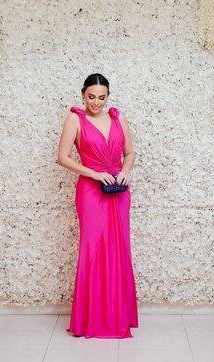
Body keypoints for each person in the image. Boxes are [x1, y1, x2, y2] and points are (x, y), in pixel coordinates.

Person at [57, 73, 139, 338]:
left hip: (118, 190)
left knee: (118, 248)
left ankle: (118, 317)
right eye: (91, 97)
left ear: (108, 96)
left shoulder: (118, 118)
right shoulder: (75, 120)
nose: (96, 103)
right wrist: (94, 173)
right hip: (90, 191)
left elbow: (130, 153)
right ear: (83, 94)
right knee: (92, 248)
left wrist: (125, 171)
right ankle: (89, 320)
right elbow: (62, 158)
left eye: (101, 97)